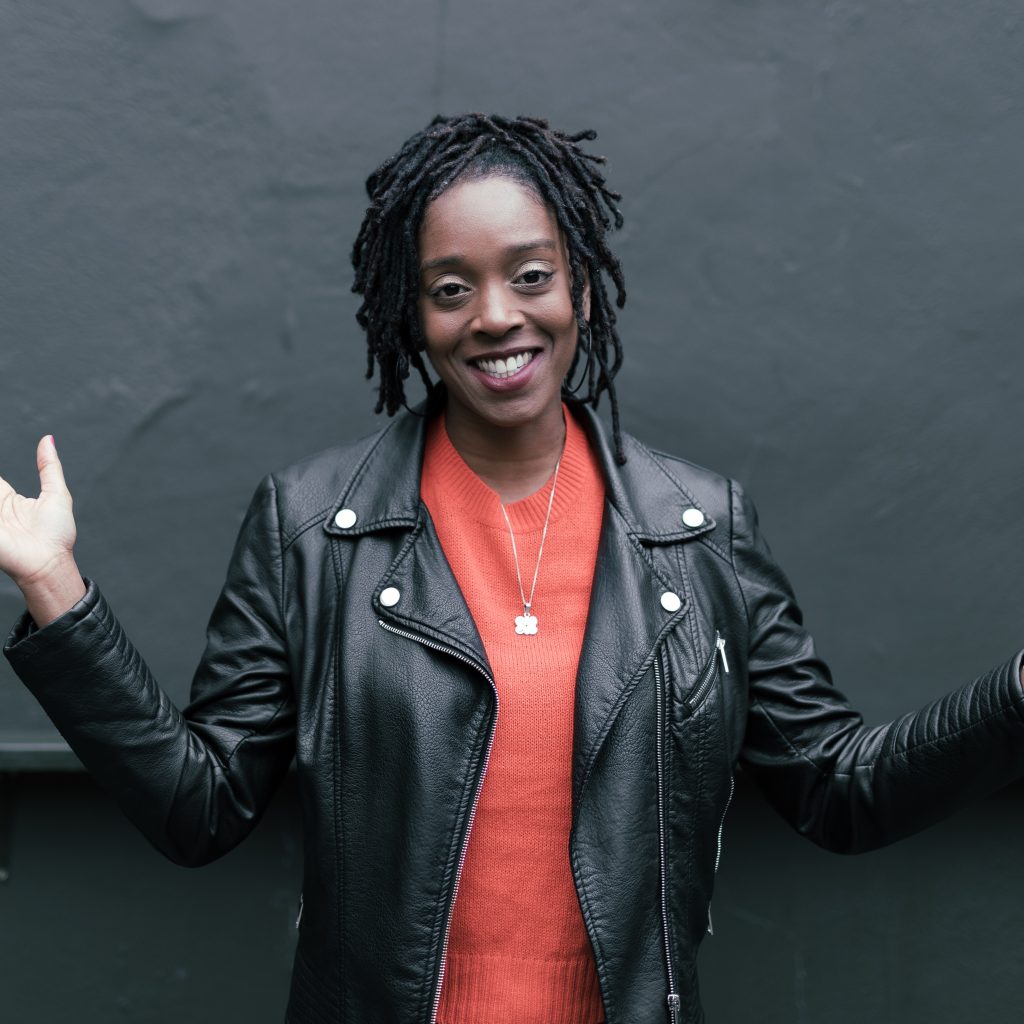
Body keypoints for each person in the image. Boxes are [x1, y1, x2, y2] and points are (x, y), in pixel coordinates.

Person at [2, 113, 1023, 1024]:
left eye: (530, 274)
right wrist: (54, 586)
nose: (496, 316)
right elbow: (199, 807)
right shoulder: (310, 529)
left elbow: (838, 789)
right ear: (412, 315)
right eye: (451, 289)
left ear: (579, 282)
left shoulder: (699, 526)